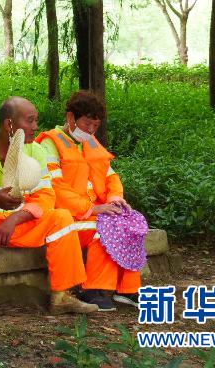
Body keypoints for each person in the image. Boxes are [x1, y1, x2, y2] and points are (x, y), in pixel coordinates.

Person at [0, 96, 97, 315]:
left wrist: (15, 218)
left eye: (36, 120)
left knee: (61, 217)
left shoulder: (36, 150)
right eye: (30, 120)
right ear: (9, 125)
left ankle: (62, 296)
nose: (36, 127)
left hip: (18, 226)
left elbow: (45, 197)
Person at [35, 90, 142, 311]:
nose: (91, 130)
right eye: (87, 124)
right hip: (66, 217)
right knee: (102, 229)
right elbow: (54, 188)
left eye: (96, 125)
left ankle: (127, 289)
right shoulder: (50, 143)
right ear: (70, 117)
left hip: (96, 210)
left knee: (132, 223)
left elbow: (111, 176)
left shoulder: (90, 142)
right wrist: (94, 209)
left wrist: (115, 198)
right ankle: (93, 288)